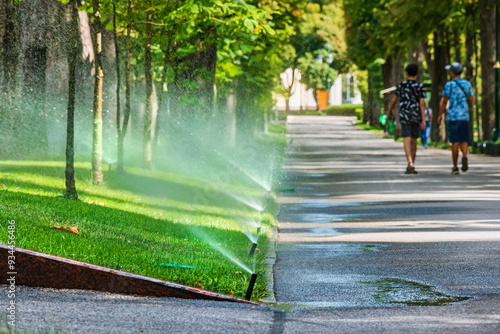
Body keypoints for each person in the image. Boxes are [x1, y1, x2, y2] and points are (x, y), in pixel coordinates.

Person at [388, 64, 427, 174]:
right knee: (414, 139)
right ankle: (412, 162)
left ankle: (409, 162)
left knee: (406, 137)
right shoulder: (419, 86)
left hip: (405, 115)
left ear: (406, 73)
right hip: (416, 115)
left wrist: (389, 112)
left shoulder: (401, 85)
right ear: (416, 73)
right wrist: (423, 119)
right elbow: (422, 103)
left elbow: (393, 101)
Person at [437, 62, 474, 175]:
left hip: (453, 116)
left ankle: (455, 166)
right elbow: (471, 100)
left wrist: (440, 115)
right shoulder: (467, 84)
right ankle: (465, 155)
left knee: (454, 142)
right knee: (464, 140)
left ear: (452, 72)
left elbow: (444, 101)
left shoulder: (449, 85)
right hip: (464, 116)